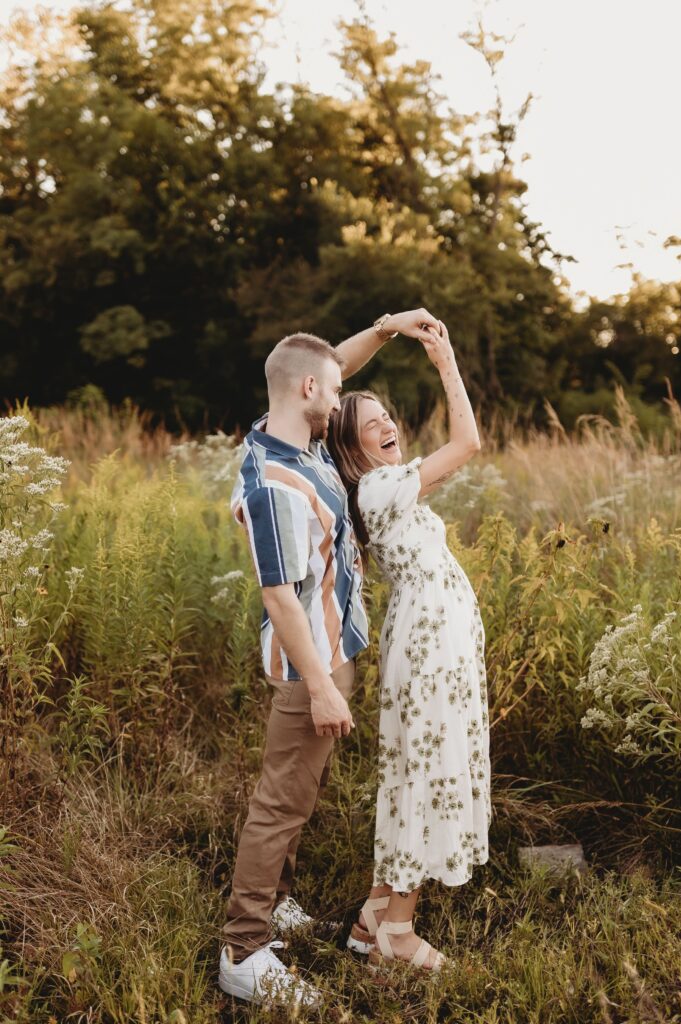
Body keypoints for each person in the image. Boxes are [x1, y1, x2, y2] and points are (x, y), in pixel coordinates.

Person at [219, 309, 441, 1007]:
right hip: (306, 661)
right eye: (334, 388)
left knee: (299, 788)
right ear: (312, 391)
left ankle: (277, 899)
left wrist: (384, 327)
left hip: (331, 646)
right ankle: (244, 947)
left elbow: (323, 365)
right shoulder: (271, 482)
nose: (342, 398)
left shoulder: (291, 432)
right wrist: (320, 687)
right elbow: (279, 598)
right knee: (280, 801)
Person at [325, 320, 491, 972]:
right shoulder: (379, 486)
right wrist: (444, 359)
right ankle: (397, 932)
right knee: (424, 773)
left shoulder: (386, 484)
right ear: (350, 444)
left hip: (430, 635)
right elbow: (469, 441)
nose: (385, 425)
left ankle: (373, 914)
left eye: (386, 414)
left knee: (412, 771)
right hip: (426, 642)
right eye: (369, 423)